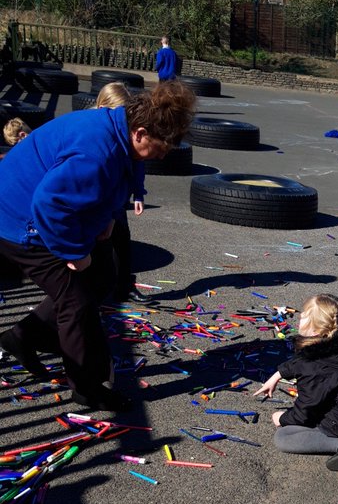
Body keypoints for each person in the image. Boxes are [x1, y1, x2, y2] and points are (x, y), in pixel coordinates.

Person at [0, 81, 195, 410]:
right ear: (141, 132)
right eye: (161, 147)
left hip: (49, 212)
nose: (163, 154)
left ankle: (23, 337)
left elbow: (127, 169)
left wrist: (107, 217)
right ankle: (87, 388)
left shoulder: (123, 125)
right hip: (19, 221)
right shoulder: (97, 150)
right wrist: (73, 253)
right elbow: (49, 206)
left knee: (104, 272)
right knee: (75, 300)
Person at [253, 293, 338, 472]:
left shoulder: (316, 368)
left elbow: (305, 411)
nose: (299, 319)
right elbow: (304, 361)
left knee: (283, 437)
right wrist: (278, 374)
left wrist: (281, 418)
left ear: (316, 331)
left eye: (303, 317)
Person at [94, 82, 148, 303]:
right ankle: (94, 288)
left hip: (118, 196)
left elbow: (138, 163)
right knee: (96, 242)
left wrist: (138, 193)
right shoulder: (93, 130)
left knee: (122, 240)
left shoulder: (127, 129)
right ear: (102, 107)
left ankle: (125, 285)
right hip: (97, 195)